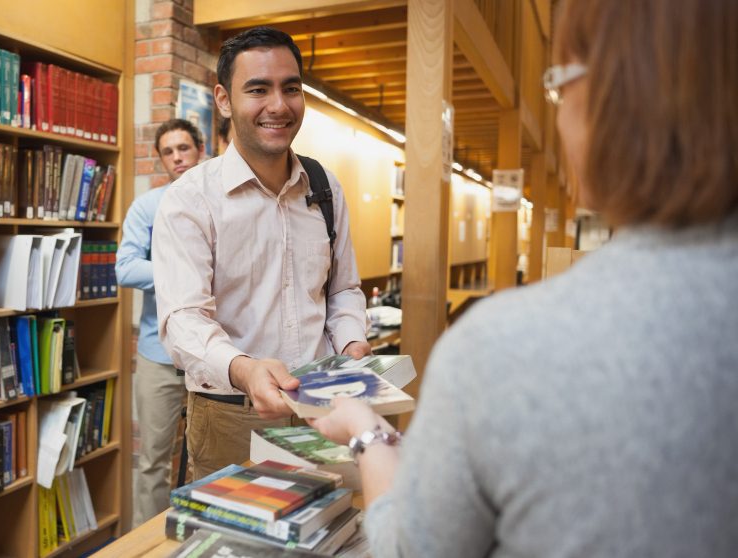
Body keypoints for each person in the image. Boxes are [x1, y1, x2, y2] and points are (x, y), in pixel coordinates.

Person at [311, 0, 738, 555]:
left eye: (558, 85)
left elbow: (413, 548)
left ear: (609, 96)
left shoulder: (499, 348)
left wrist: (367, 432)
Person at [152, 26, 371, 480]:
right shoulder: (190, 198)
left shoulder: (325, 188)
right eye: (258, 89)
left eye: (291, 88)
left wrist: (351, 340)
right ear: (224, 100)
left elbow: (343, 289)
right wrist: (245, 371)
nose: (279, 105)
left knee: (327, 537)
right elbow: (183, 320)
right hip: (232, 415)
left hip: (320, 405)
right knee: (235, 548)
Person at [116, 118, 203, 527]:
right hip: (158, 354)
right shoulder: (147, 207)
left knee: (210, 460)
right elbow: (126, 269)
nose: (177, 158)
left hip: (211, 359)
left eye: (183, 148)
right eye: (168, 152)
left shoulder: (217, 199)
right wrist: (180, 271)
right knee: (153, 462)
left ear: (198, 150)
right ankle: (145, 550)